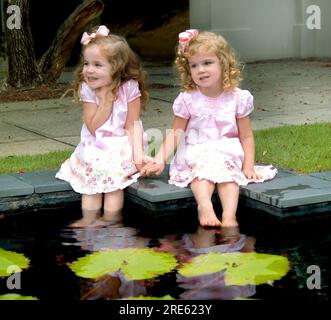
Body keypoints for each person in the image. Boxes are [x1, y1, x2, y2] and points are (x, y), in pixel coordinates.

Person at [140, 30, 277, 227]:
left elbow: (246, 137)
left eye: (207, 63)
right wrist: (160, 160)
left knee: (229, 178)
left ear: (223, 63)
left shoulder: (238, 97)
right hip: (197, 150)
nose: (201, 70)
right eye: (194, 65)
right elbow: (175, 134)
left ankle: (230, 216)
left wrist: (248, 166)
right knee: (202, 173)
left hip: (227, 150)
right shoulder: (188, 99)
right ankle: (204, 206)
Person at [56, 25, 151, 227]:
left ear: (117, 67)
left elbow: (132, 125)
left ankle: (110, 219)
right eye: (86, 63)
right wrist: (106, 99)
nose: (89, 70)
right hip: (96, 143)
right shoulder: (87, 89)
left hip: (123, 142)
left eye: (98, 65)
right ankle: (89, 218)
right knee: (92, 176)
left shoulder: (129, 87)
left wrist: (138, 156)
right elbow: (92, 127)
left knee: (112, 178)